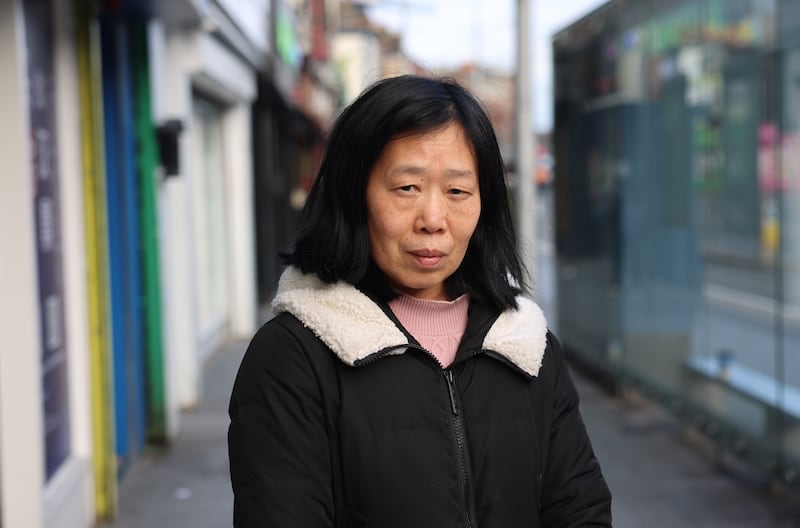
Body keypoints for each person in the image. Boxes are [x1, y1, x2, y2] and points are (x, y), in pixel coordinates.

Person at [228, 74, 612, 527]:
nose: (433, 220)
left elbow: (580, 510)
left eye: (457, 192)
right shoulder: (294, 355)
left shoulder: (525, 345)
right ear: (354, 194)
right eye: (407, 188)